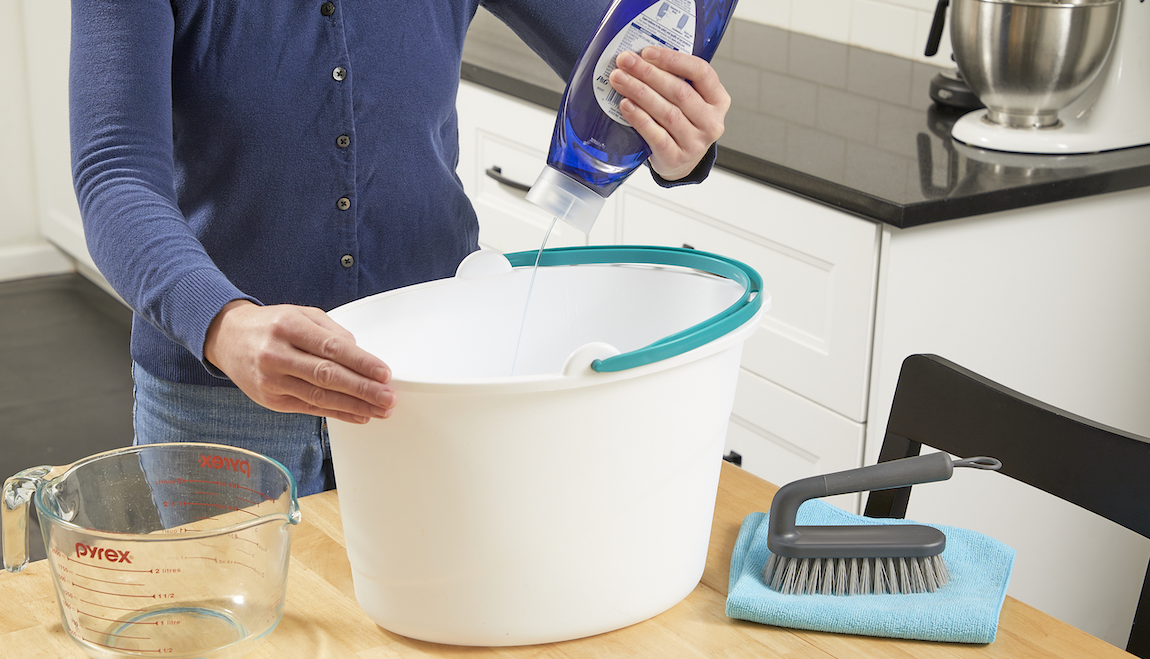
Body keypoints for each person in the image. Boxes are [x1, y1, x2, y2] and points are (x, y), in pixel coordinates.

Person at [70, 1, 732, 495]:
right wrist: (223, 324)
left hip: (428, 377)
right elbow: (115, 173)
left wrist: (675, 127)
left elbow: (633, 61)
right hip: (224, 397)